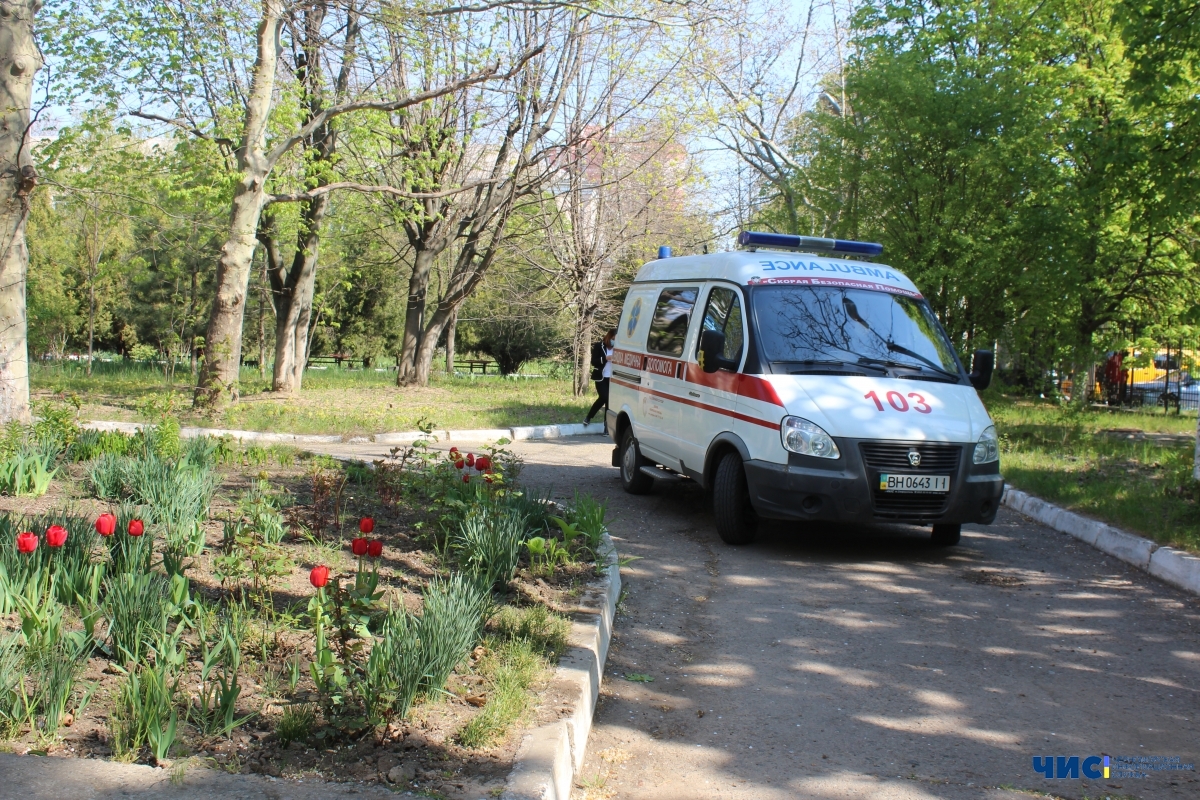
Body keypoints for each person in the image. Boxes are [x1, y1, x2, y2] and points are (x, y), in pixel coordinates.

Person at [585, 328, 616, 424]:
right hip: (601, 377)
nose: (614, 341)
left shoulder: (618, 349)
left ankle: (607, 425)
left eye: (616, 340)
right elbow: (594, 361)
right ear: (609, 337)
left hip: (613, 378)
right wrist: (605, 358)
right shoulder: (599, 346)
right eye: (613, 339)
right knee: (604, 397)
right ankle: (589, 416)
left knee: (609, 401)